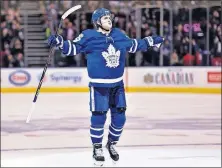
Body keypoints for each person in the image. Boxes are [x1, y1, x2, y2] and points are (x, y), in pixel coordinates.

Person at [48, 8, 164, 166]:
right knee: (99, 117)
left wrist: (151, 41)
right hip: (99, 87)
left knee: (120, 118)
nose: (109, 20)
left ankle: (111, 144)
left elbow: (134, 45)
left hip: (117, 85)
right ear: (97, 22)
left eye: (109, 17)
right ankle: (97, 148)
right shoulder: (88, 36)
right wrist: (60, 42)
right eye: (104, 18)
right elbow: (73, 48)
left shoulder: (119, 34)